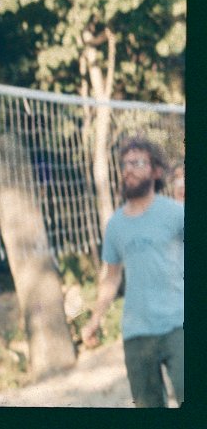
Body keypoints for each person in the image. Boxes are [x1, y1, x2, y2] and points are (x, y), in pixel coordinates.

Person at [81, 136, 184, 407]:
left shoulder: (176, 213)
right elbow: (111, 277)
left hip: (180, 326)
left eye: (138, 162)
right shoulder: (115, 225)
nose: (128, 169)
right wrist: (94, 320)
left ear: (156, 171)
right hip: (136, 335)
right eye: (125, 163)